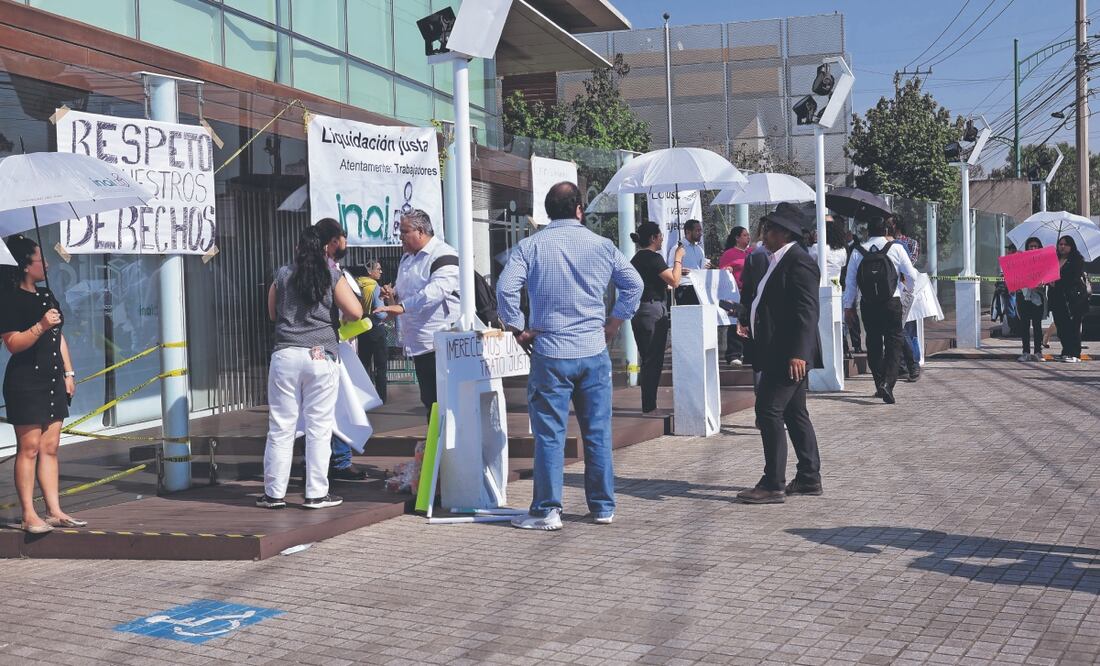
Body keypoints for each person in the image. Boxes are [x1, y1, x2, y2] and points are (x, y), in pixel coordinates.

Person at [497, 181, 643, 530]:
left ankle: (548, 510)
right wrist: (613, 323)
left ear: (548, 212)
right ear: (580, 209)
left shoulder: (530, 246)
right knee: (597, 432)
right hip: (593, 350)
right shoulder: (603, 245)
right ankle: (603, 507)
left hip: (550, 351)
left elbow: (505, 288)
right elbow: (634, 284)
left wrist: (518, 328)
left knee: (550, 434)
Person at [259, 226, 363, 509]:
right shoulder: (331, 276)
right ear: (324, 250)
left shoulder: (282, 275)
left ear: (297, 249)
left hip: (286, 355)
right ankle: (316, 493)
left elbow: (272, 313)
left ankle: (273, 494)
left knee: (281, 427)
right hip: (321, 356)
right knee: (319, 426)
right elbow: (356, 311)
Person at [733, 203, 823, 504]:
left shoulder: (799, 261)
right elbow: (768, 302)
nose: (764, 233)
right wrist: (749, 319)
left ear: (784, 233)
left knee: (768, 411)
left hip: (788, 354)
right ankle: (809, 477)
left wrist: (799, 353)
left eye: (770, 229)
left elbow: (807, 312)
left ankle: (773, 483)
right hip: (775, 349)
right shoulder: (776, 259)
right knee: (795, 413)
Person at [0, 236, 83, 533]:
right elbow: (13, 344)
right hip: (25, 380)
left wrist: (69, 373)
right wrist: (40, 325)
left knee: (50, 446)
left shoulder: (47, 295)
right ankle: (28, 514)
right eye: (39, 259)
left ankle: (55, 510)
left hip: (52, 377)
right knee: (30, 447)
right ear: (24, 265)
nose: (46, 264)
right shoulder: (8, 298)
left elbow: (58, 337)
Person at [374, 209, 460, 417]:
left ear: (420, 231)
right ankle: (436, 445)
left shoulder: (444, 254)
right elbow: (405, 293)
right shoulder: (406, 259)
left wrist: (402, 307)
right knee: (429, 401)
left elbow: (435, 291)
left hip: (440, 341)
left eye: (404, 232)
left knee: (445, 401)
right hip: (418, 343)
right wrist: (392, 295)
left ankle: (448, 446)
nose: (400, 237)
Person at [843, 216, 919, 404]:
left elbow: (850, 283)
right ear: (886, 231)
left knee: (874, 344)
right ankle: (888, 384)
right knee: (894, 342)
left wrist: (848, 307)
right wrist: (906, 289)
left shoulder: (857, 252)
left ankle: (879, 384)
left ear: (868, 232)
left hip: (868, 304)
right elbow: (911, 275)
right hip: (891, 302)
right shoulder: (896, 248)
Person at [314, 218, 368, 481]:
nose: (346, 242)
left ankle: (328, 463)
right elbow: (354, 311)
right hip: (329, 347)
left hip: (327, 347)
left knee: (323, 409)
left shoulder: (297, 271)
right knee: (334, 407)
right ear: (333, 241)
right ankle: (338, 462)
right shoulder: (329, 273)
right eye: (343, 237)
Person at [629, 221, 684, 413]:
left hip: (639, 311)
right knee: (653, 360)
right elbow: (675, 281)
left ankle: (648, 403)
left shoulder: (636, 259)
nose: (662, 239)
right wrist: (678, 258)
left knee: (647, 358)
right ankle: (649, 406)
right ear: (653, 238)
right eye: (660, 235)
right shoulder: (653, 258)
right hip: (653, 310)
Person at [347, 260, 389, 402]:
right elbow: (380, 313)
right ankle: (380, 396)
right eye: (378, 269)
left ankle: (363, 396)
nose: (381, 271)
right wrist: (387, 312)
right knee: (381, 365)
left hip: (361, 328)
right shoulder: (374, 286)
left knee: (363, 363)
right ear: (370, 272)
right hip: (376, 328)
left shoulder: (357, 284)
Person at [1049, 235, 1089, 363]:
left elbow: (1073, 278)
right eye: (1060, 244)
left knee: (1073, 327)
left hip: (1073, 300)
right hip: (1057, 299)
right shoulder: (1053, 260)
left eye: (1065, 244)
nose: (1062, 246)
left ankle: (1075, 353)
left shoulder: (1077, 260)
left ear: (1071, 246)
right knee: (1061, 327)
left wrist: (1058, 281)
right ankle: (1066, 351)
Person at [719, 226, 751, 366]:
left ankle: (749, 353)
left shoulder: (751, 252)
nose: (748, 237)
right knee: (735, 323)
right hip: (735, 292)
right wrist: (728, 270)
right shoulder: (729, 254)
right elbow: (722, 273)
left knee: (748, 322)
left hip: (749, 292)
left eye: (748, 235)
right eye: (744, 235)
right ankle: (734, 354)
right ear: (737, 238)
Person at [1015, 237, 1047, 362]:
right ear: (1027, 248)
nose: (1033, 248)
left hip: (1037, 297)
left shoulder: (1044, 262)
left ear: (1039, 248)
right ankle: (1026, 352)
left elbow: (1049, 279)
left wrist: (1043, 283)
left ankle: (1038, 352)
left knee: (1037, 326)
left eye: (1035, 246)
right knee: (1024, 325)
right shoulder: (1020, 261)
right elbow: (1015, 278)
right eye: (1031, 246)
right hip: (1023, 297)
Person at [675, 218, 709, 305]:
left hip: (699, 287)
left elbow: (700, 268)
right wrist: (680, 270)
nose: (700, 233)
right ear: (688, 232)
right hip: (684, 286)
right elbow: (670, 268)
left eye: (700, 231)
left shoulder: (699, 249)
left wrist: (706, 267)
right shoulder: (678, 248)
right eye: (697, 231)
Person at [841, 228, 863, 356]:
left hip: (850, 284)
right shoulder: (842, 246)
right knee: (847, 315)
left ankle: (857, 344)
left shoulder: (856, 248)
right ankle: (847, 345)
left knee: (852, 315)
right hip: (844, 283)